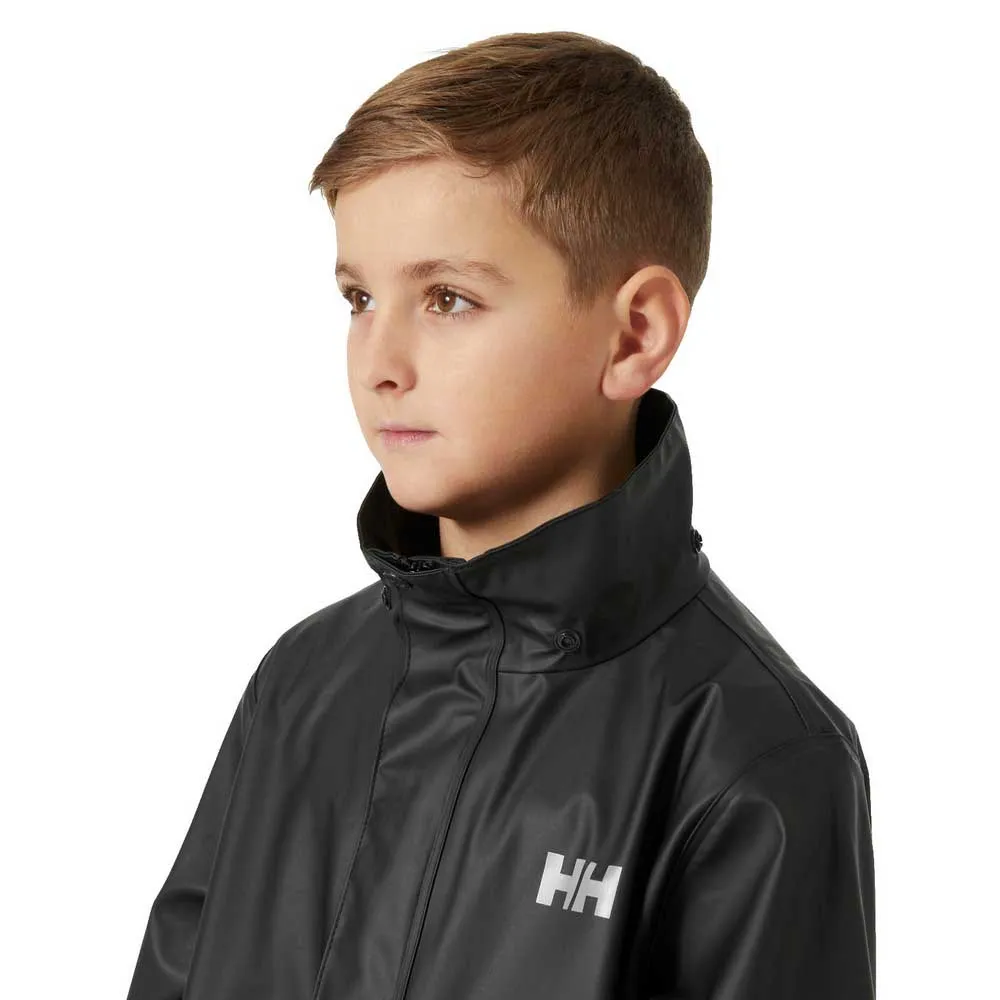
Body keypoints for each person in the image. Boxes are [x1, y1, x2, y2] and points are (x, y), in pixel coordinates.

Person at [126, 29, 875, 1000]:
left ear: (634, 334)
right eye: (359, 297)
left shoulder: (752, 759)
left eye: (447, 298)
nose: (379, 361)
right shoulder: (300, 688)